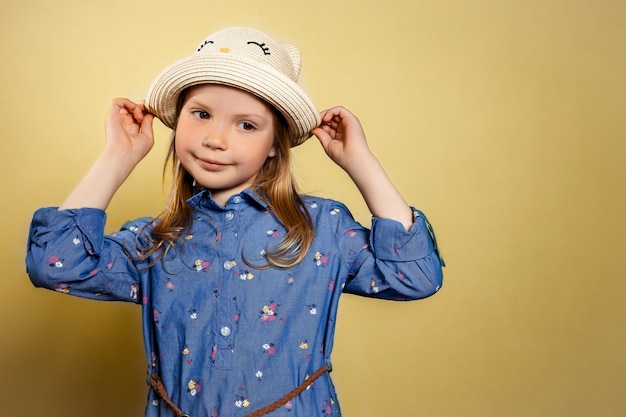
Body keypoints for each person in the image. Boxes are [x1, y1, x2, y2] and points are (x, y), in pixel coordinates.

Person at [26, 26, 444, 417]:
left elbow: (415, 277)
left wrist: (361, 163)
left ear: (275, 147)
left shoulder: (322, 227)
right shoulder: (155, 240)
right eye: (201, 114)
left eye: (246, 125)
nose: (215, 139)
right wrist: (117, 158)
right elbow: (55, 263)